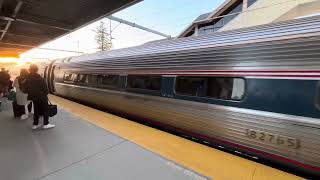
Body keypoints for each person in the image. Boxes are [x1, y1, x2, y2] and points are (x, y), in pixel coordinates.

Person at [25, 64, 55, 130]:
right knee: (45, 110)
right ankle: (46, 124)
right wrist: (45, 94)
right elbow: (46, 89)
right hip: (42, 97)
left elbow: (25, 88)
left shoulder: (27, 78)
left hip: (34, 97)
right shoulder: (40, 78)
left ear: (30, 70)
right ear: (37, 70)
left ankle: (35, 125)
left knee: (36, 110)